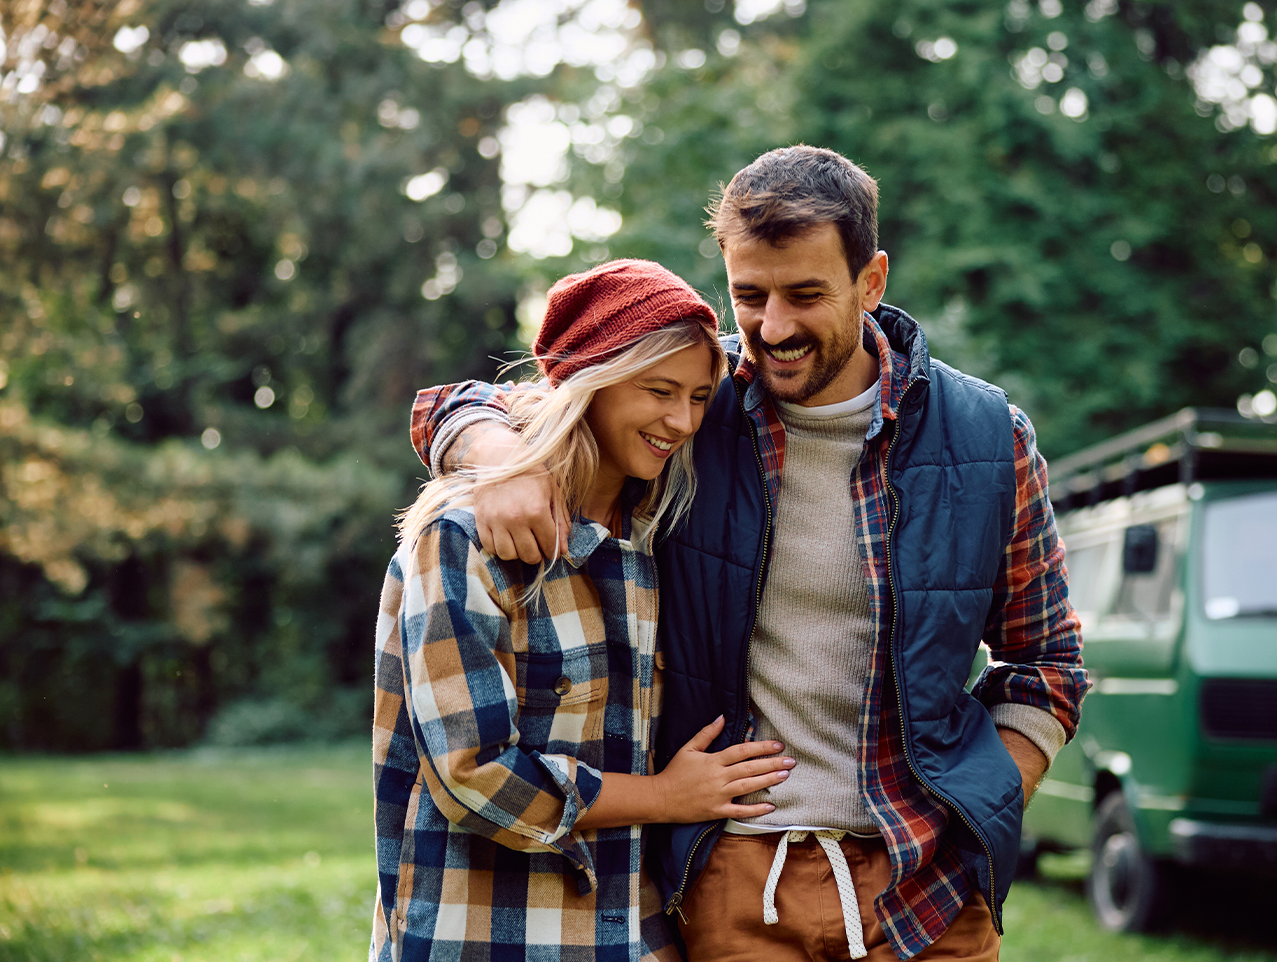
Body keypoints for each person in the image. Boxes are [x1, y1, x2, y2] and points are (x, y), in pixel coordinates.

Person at [408, 146, 1091, 961]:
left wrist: (983, 800)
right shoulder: (696, 405)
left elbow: (1047, 662)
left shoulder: (988, 440)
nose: (772, 328)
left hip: (929, 885)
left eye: (806, 295)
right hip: (737, 875)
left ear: (871, 281)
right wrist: (497, 458)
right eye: (748, 295)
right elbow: (469, 400)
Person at [371, 259, 797, 962]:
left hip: (633, 936)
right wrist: (664, 797)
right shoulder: (464, 537)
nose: (682, 421)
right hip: (483, 937)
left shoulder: (660, 534)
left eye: (697, 397)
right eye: (659, 391)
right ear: (589, 384)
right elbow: (473, 776)